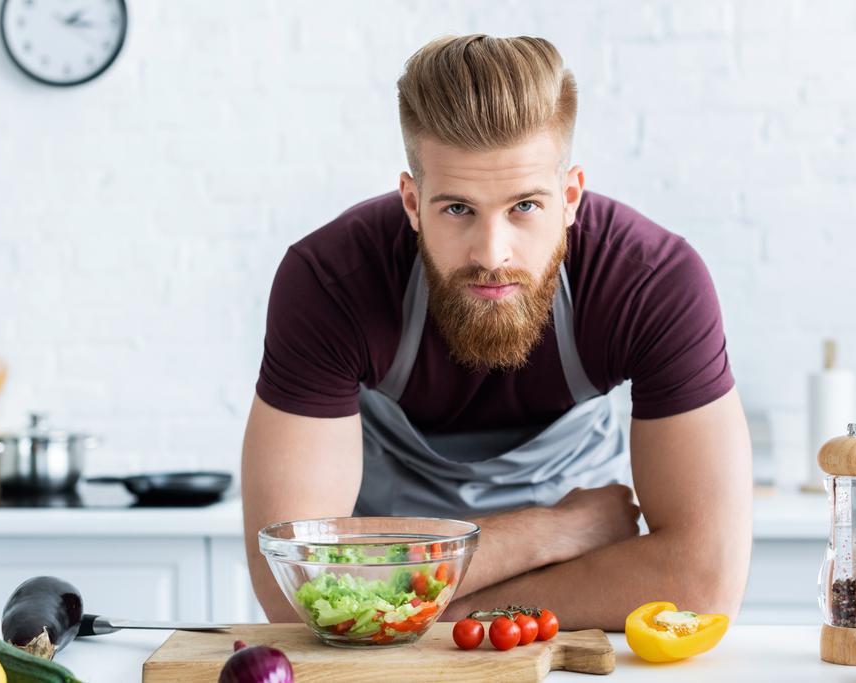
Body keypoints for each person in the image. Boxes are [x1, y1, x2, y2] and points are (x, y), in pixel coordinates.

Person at [242, 34, 751, 630]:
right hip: (548, 567)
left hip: (508, 629)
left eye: (524, 207)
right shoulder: (330, 282)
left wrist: (418, 612)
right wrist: (556, 529)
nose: (492, 253)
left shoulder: (651, 281)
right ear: (412, 202)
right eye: (457, 209)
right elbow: (297, 592)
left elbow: (702, 581)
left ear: (569, 197)